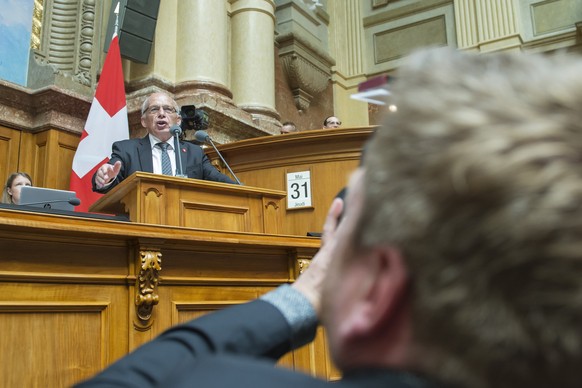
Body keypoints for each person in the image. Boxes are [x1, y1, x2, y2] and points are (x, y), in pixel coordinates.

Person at [77, 48, 582, 388]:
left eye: (350, 222)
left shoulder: (196, 153)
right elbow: (109, 179)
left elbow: (149, 375)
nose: (163, 116)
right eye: (155, 110)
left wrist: (304, 294)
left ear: (377, 292)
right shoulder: (125, 147)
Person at [92, 92, 237, 193]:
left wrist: (243, 190)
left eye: (168, 109)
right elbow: (110, 175)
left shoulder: (195, 153)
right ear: (144, 121)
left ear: (178, 120)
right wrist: (105, 177)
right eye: (154, 109)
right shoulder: (126, 150)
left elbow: (219, 181)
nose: (162, 113)